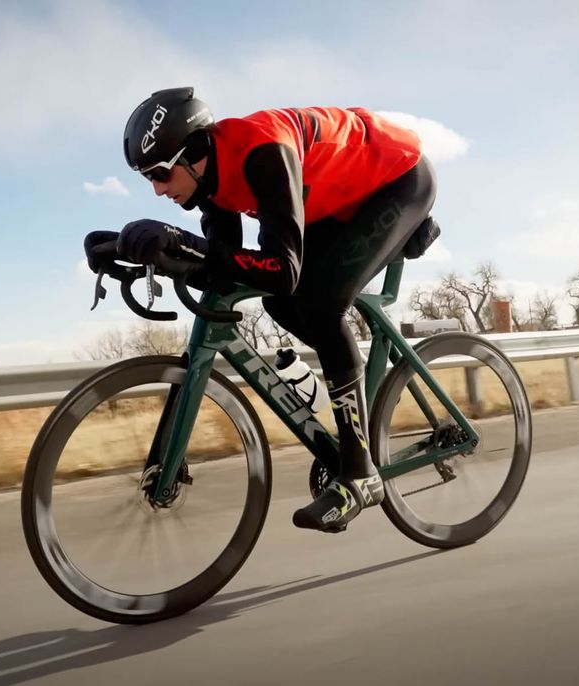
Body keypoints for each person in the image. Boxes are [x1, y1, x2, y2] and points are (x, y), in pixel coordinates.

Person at [92, 86, 437, 533]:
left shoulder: (262, 153)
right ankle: (336, 390)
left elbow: (281, 270)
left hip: (397, 180)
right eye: (147, 179)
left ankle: (360, 472)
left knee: (319, 303)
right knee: (280, 302)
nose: (157, 190)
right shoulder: (211, 185)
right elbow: (223, 264)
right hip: (333, 201)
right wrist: (130, 249)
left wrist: (180, 242)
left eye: (160, 173)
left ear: (195, 153)